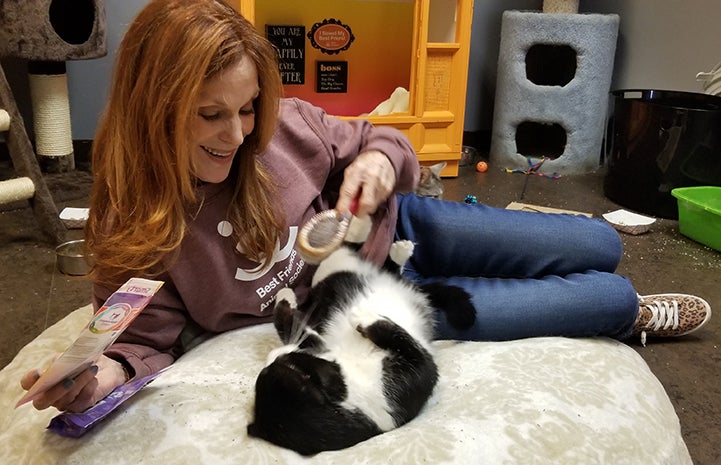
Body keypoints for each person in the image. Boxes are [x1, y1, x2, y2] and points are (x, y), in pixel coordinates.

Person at [20, 0, 710, 413]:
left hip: (406, 231)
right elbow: (141, 340)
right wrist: (99, 378)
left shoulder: (283, 125)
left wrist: (379, 163)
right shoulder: (134, 217)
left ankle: (607, 283)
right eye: (208, 115)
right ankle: (632, 315)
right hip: (370, 311)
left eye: (246, 108)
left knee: (601, 245)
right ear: (152, 110)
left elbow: (378, 137)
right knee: (607, 297)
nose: (236, 135)